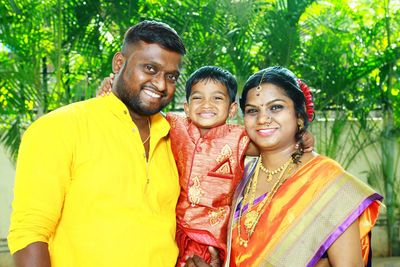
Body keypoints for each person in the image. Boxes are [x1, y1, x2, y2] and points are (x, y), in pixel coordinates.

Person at [8, 20, 186, 267]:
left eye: (171, 76)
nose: (161, 85)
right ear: (119, 63)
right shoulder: (59, 128)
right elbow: (30, 232)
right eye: (150, 69)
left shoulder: (173, 137)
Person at [98, 66, 314, 266]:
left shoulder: (239, 137)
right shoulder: (175, 124)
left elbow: (273, 144)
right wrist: (116, 95)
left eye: (217, 98)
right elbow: (140, 114)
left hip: (210, 234)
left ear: (231, 110)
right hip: (173, 226)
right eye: (198, 98)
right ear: (187, 107)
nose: (206, 105)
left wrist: (299, 137)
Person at [185, 66, 382, 267]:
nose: (263, 119)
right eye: (253, 110)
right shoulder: (241, 177)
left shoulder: (327, 181)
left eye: (276, 107)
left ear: (299, 114)